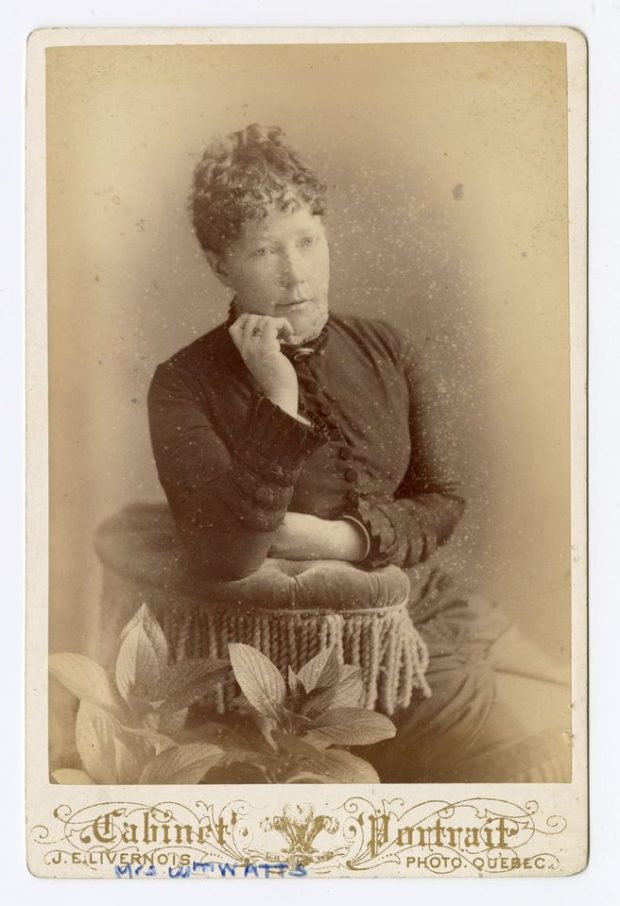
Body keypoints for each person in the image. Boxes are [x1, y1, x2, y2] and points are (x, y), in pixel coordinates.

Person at [147, 123, 569, 782]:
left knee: (520, 782)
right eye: (264, 250)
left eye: (307, 241)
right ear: (221, 263)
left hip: (413, 632)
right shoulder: (183, 383)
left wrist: (341, 539)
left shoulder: (387, 349)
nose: (294, 273)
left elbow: (444, 498)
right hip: (268, 664)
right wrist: (279, 403)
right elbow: (228, 555)